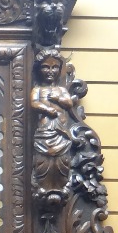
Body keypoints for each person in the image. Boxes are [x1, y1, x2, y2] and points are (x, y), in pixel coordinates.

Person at [30, 48, 78, 192]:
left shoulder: (61, 90)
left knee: (61, 163)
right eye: (45, 67)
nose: (50, 71)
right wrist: (46, 109)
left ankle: (59, 185)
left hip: (60, 132)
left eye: (54, 67)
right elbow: (33, 103)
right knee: (43, 163)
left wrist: (58, 99)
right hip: (44, 132)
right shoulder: (37, 90)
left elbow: (69, 103)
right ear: (39, 70)